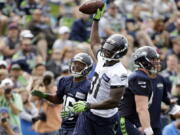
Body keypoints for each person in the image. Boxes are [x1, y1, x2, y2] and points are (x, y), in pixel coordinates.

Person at [72, 6, 128, 135]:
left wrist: (89, 105)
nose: (106, 51)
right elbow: (95, 43)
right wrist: (96, 20)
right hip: (88, 114)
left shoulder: (119, 72)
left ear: (119, 54)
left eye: (110, 49)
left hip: (105, 118)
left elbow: (114, 101)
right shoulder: (103, 58)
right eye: (107, 47)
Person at [31, 52, 93, 135]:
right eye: (75, 63)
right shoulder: (64, 81)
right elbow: (58, 99)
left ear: (87, 68)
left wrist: (75, 112)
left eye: (81, 64)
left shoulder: (89, 86)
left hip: (80, 126)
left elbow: (93, 108)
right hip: (65, 125)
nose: (76, 66)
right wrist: (44, 95)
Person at [117, 46, 166, 135]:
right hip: (126, 122)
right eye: (153, 59)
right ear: (143, 61)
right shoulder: (140, 78)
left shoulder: (139, 76)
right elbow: (141, 108)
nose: (157, 62)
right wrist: (148, 129)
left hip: (130, 122)